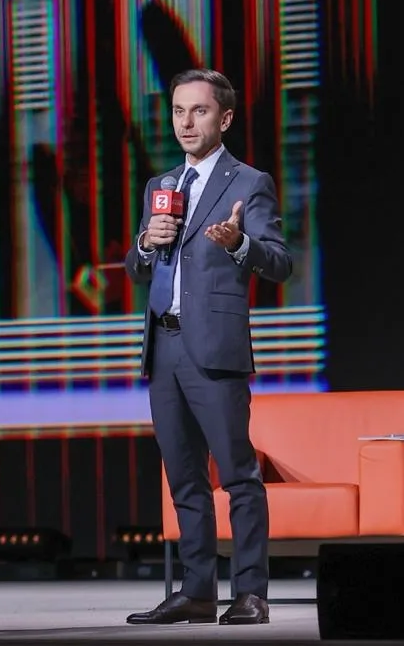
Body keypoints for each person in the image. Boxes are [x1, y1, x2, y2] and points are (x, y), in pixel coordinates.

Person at [122, 68, 292, 626]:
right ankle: (196, 591)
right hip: (164, 346)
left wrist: (240, 242)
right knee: (183, 477)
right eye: (178, 111)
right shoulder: (161, 185)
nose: (186, 122)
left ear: (225, 117)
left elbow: (280, 261)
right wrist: (146, 241)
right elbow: (135, 269)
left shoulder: (249, 183)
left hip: (215, 348)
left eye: (199, 111)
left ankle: (251, 593)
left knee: (238, 476)